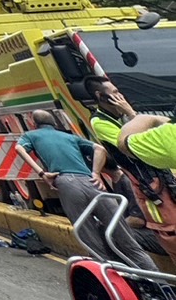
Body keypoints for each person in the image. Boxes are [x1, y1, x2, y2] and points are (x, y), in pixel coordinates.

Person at [15, 109, 158, 269]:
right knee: (128, 242)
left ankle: (116, 279)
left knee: (92, 242)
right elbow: (99, 149)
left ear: (33, 123)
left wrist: (42, 173)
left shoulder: (31, 136)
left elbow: (19, 149)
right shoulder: (70, 137)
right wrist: (95, 173)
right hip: (93, 184)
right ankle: (157, 285)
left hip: (68, 184)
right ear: (54, 123)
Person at [84, 76, 176, 259]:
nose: (121, 95)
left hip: (157, 176)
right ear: (100, 96)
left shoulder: (119, 117)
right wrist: (132, 114)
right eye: (115, 92)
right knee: (169, 229)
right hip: (147, 181)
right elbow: (127, 144)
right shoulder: (100, 121)